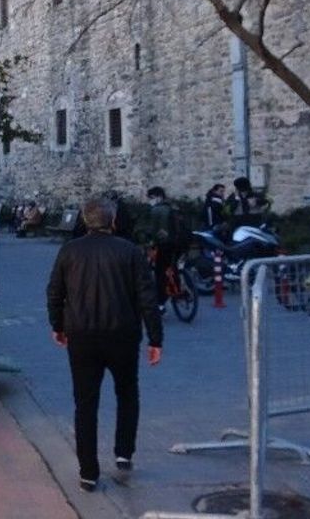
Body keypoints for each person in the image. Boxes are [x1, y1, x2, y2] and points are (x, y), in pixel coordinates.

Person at [46, 196, 163, 493]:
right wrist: (155, 338)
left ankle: (88, 472)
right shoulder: (130, 251)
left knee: (85, 403)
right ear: (113, 221)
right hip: (122, 334)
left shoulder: (70, 251)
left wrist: (58, 325)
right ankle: (124, 452)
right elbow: (147, 298)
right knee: (127, 392)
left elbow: (55, 292)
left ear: (85, 221)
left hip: (82, 335)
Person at [144, 186, 185, 312]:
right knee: (173, 268)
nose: (150, 201)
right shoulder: (174, 206)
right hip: (180, 244)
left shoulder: (157, 210)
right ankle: (179, 291)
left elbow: (158, 231)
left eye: (151, 198)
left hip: (165, 244)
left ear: (158, 197)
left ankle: (160, 303)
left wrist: (152, 241)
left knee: (160, 274)